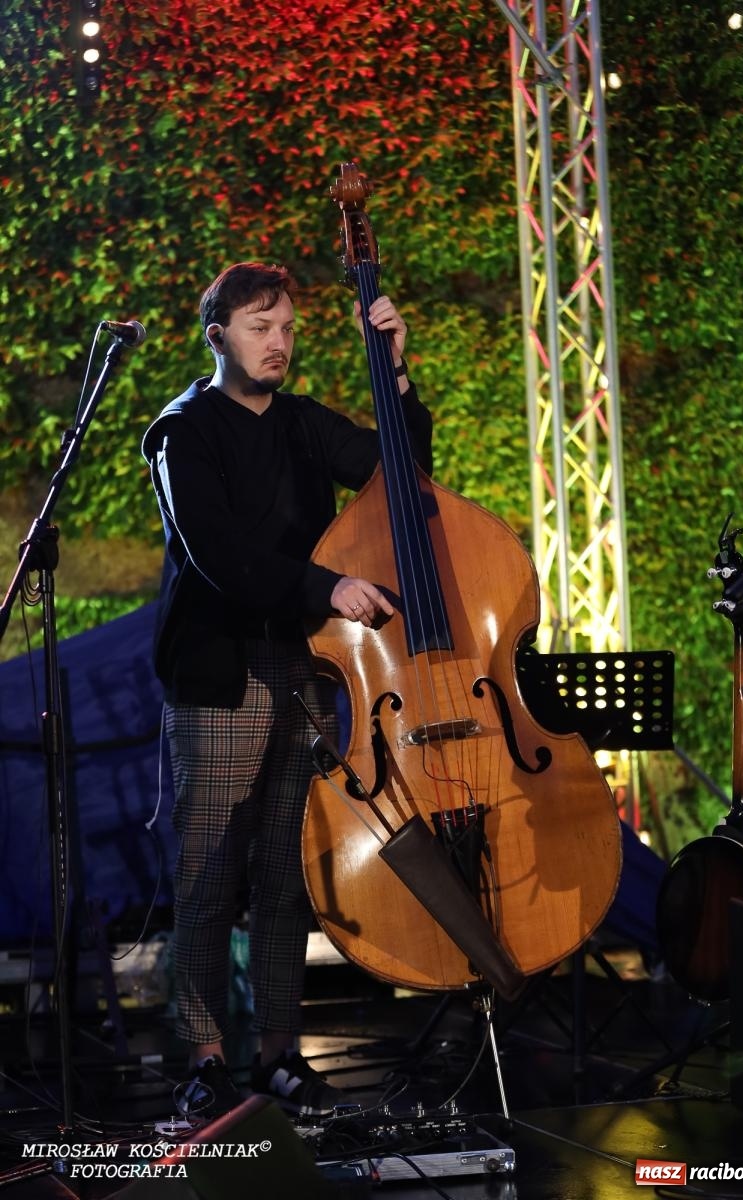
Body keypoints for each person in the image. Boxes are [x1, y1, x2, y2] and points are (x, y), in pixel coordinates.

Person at [141, 261, 433, 1119]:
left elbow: (401, 474)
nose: (279, 343)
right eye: (260, 328)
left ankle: (278, 1056)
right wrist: (327, 587)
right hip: (220, 673)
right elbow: (218, 554)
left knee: (286, 875)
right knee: (207, 875)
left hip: (302, 667)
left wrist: (397, 372)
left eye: (288, 329)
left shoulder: (302, 422)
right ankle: (204, 1061)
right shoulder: (183, 431)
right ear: (218, 336)